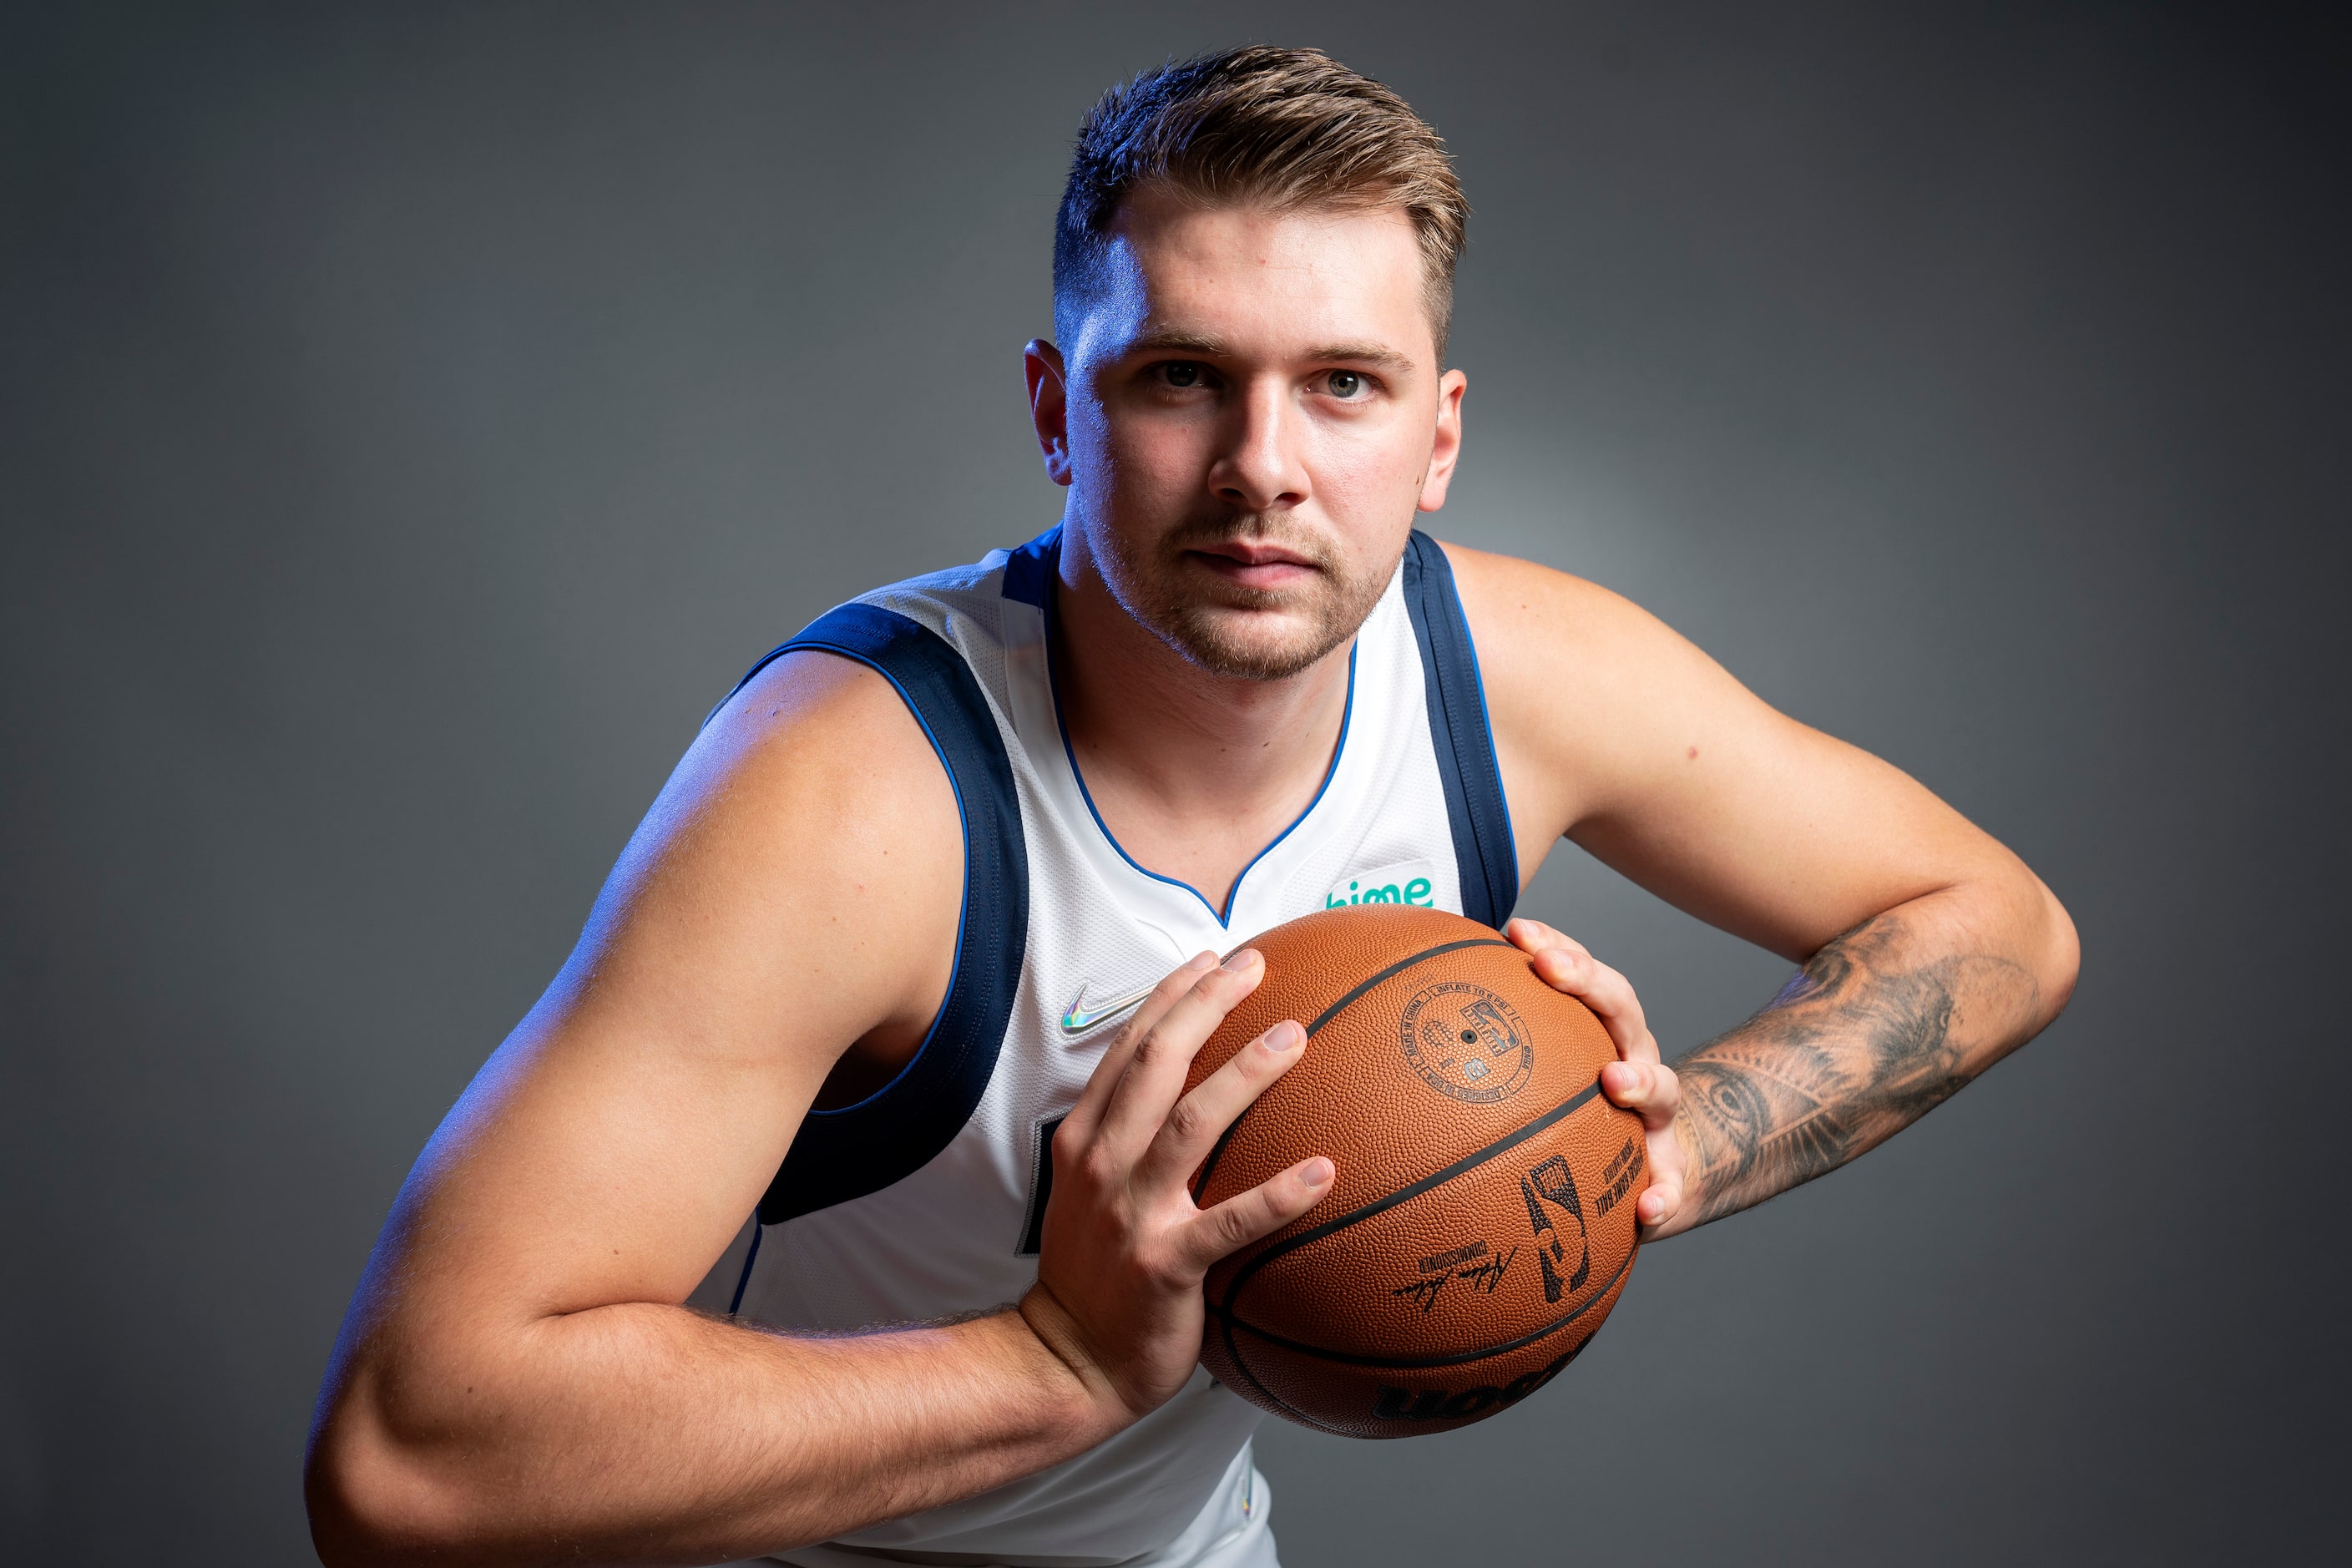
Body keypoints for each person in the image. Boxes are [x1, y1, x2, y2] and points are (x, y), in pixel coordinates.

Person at [306, 46, 2078, 1568]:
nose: (1262, 469)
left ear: (1435, 435)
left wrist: (1654, 1143)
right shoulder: (854, 791)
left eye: (1342, 385)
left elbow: (1996, 925)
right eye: (1176, 378)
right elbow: (408, 1454)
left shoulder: (1514, 676)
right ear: (1052, 414)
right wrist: (1057, 1364)